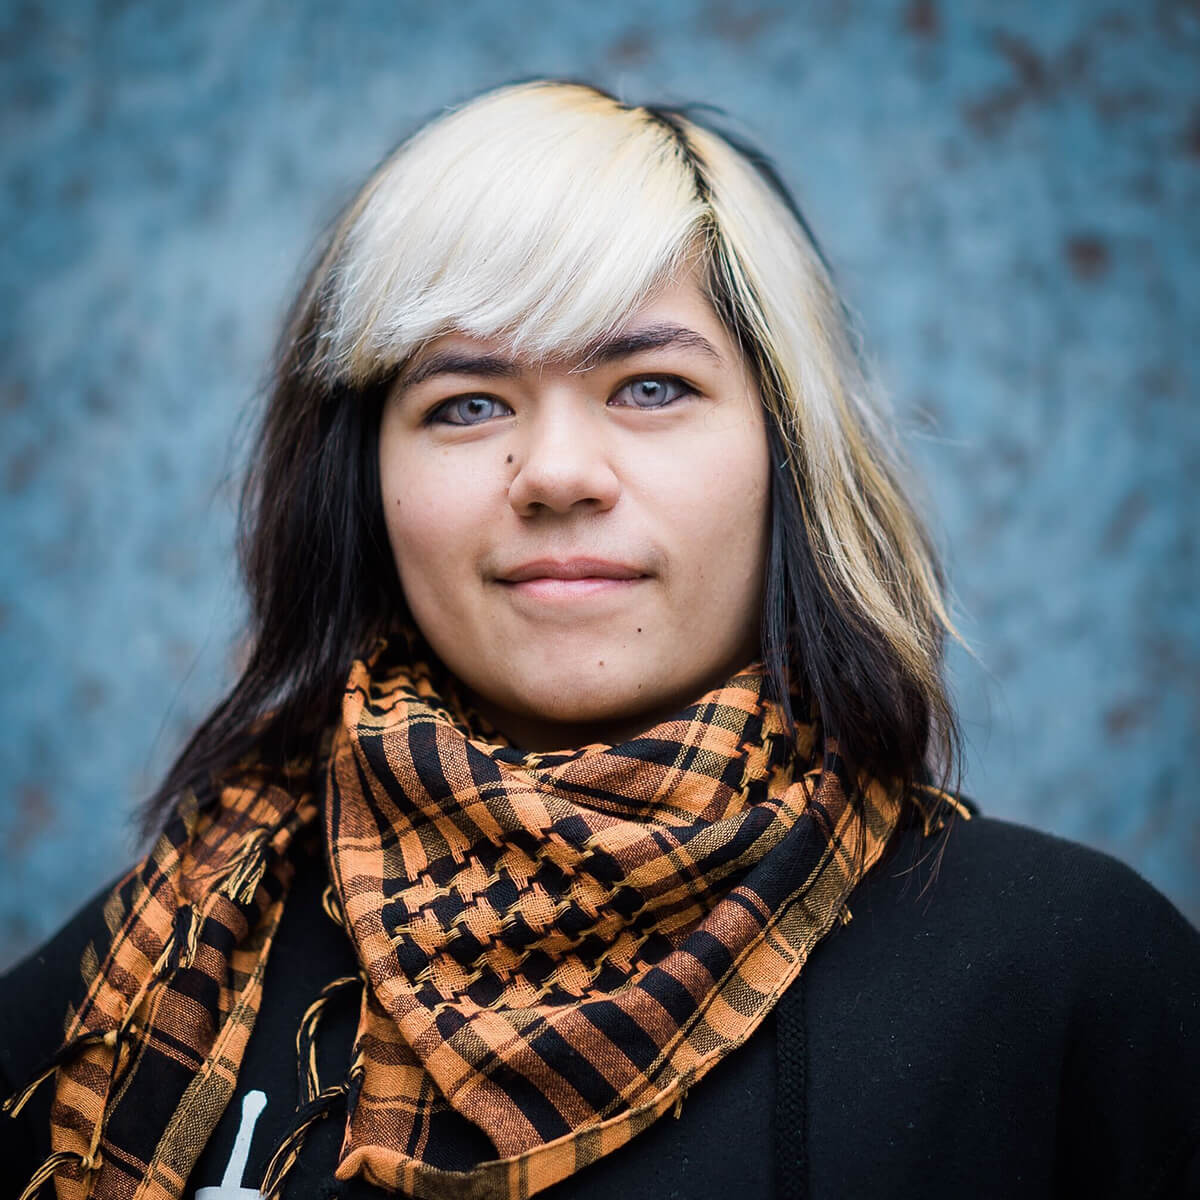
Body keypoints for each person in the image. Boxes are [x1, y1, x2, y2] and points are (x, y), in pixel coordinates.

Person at [1, 78, 1196, 1200]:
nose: (558, 474)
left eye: (651, 387)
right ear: (362, 486)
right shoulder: (153, 969)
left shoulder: (1067, 979)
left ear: (791, 456)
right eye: (466, 404)